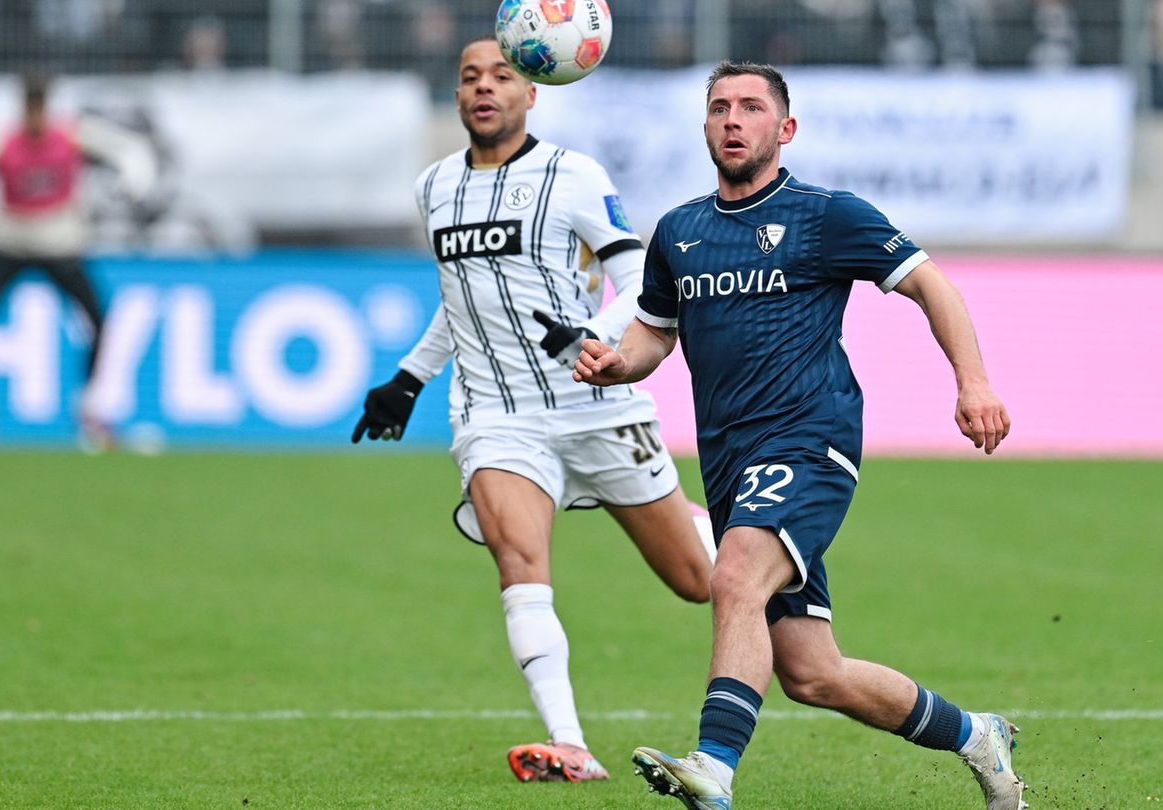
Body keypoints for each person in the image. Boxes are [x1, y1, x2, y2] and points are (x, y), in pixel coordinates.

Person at [572, 61, 1025, 809]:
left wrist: (972, 381)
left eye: (751, 107)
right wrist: (620, 365)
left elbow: (928, 283)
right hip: (730, 462)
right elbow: (656, 335)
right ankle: (977, 734)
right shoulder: (679, 233)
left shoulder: (825, 215)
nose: (732, 119)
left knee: (735, 577)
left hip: (810, 441)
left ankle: (714, 768)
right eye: (719, 107)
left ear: (784, 129)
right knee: (814, 673)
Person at [350, 37, 716, 785]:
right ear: (457, 98)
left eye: (502, 76)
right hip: (496, 415)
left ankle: (735, 536)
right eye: (469, 78)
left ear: (532, 92)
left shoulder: (571, 174)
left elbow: (640, 283)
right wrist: (409, 379)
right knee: (518, 563)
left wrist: (595, 337)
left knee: (698, 581)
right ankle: (572, 745)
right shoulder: (435, 187)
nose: (484, 88)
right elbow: (463, 302)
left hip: (596, 403)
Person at [0, 73, 156, 447]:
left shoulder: (73, 135)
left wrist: (133, 186)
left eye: (39, 107)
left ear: (46, 106)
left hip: (59, 243)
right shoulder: (0, 142)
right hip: (8, 242)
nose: (34, 117)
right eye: (29, 108)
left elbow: (131, 152)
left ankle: (89, 409)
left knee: (98, 319)